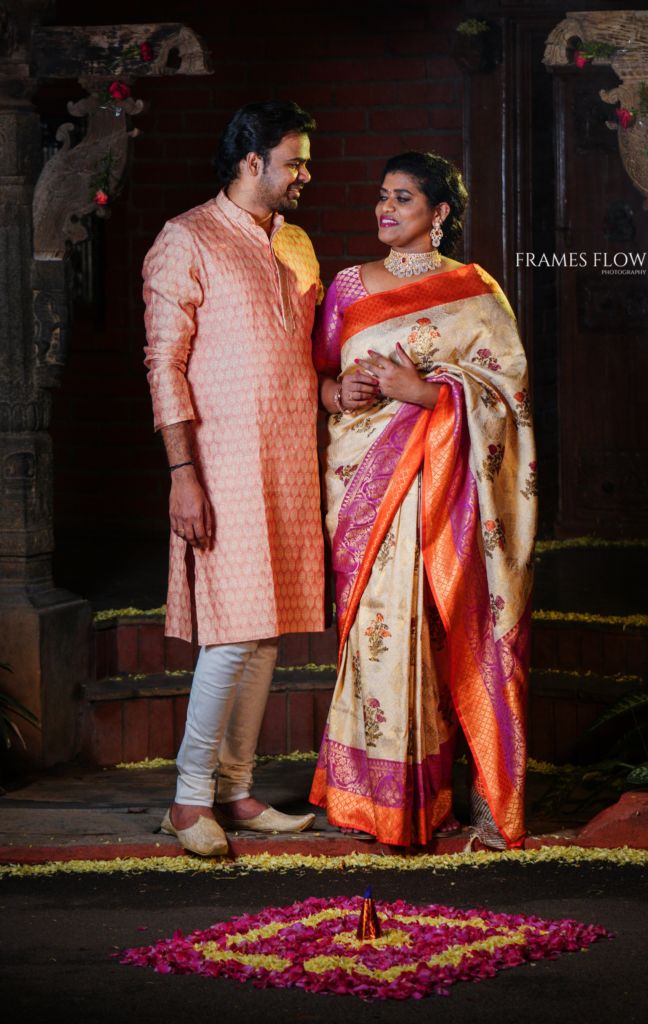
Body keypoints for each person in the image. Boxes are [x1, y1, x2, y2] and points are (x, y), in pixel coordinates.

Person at [309, 152, 537, 849]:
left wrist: (425, 394)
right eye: (381, 196)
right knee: (377, 629)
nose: (384, 209)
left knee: (431, 627)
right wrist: (335, 393)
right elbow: (316, 375)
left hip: (443, 492)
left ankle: (433, 799)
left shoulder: (474, 290)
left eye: (402, 199)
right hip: (364, 487)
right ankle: (372, 798)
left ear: (438, 215)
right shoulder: (348, 285)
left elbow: (509, 396)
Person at [142, 100, 325, 856]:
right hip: (220, 467)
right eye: (296, 160)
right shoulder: (186, 239)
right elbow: (164, 364)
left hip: (288, 463)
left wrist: (334, 390)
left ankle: (238, 791)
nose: (306, 173)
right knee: (230, 634)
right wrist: (183, 472)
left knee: (267, 632)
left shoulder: (298, 244)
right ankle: (189, 802)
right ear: (253, 163)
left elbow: (300, 356)